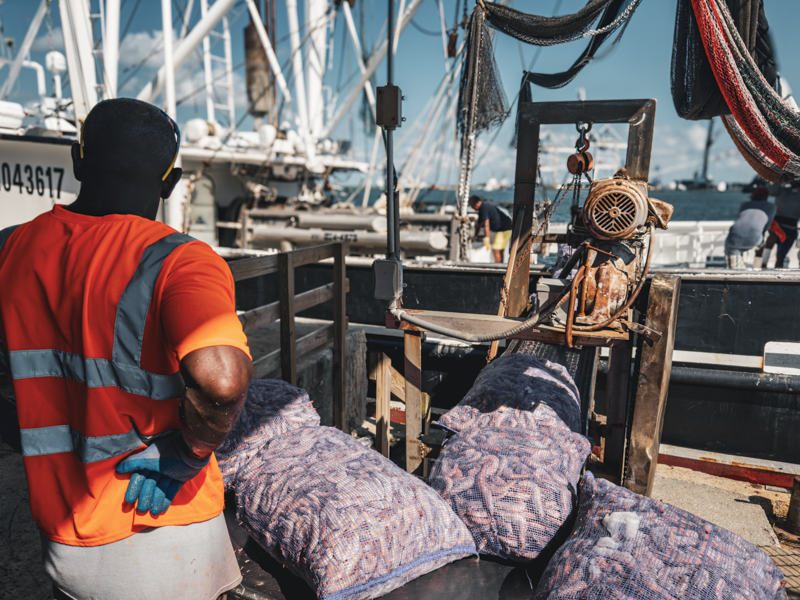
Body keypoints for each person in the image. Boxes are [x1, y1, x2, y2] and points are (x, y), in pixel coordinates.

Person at [0, 99, 253, 600]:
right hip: (162, 534)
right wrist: (187, 452)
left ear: (77, 160)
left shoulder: (10, 248)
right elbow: (222, 380)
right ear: (171, 181)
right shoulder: (180, 261)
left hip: (65, 534)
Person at [724, 187, 776, 269]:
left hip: (733, 241)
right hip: (755, 241)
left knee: (734, 270)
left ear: (753, 196)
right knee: (761, 243)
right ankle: (758, 267)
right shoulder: (772, 207)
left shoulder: (744, 204)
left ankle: (737, 268)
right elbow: (764, 228)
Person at [765, 180, 800, 268]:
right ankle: (766, 265)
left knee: (773, 239)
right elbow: (769, 191)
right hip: (787, 228)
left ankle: (763, 262)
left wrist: (780, 179)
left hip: (781, 227)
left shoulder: (782, 191)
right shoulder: (783, 191)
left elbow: (770, 191)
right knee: (780, 256)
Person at [469, 195, 513, 263]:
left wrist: (487, 238)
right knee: (500, 249)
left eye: (472, 206)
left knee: (496, 249)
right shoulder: (481, 209)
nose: (472, 208)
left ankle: (498, 267)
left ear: (477, 202)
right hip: (506, 227)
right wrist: (475, 236)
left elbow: (486, 224)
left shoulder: (484, 208)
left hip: (503, 229)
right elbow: (479, 224)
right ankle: (501, 265)